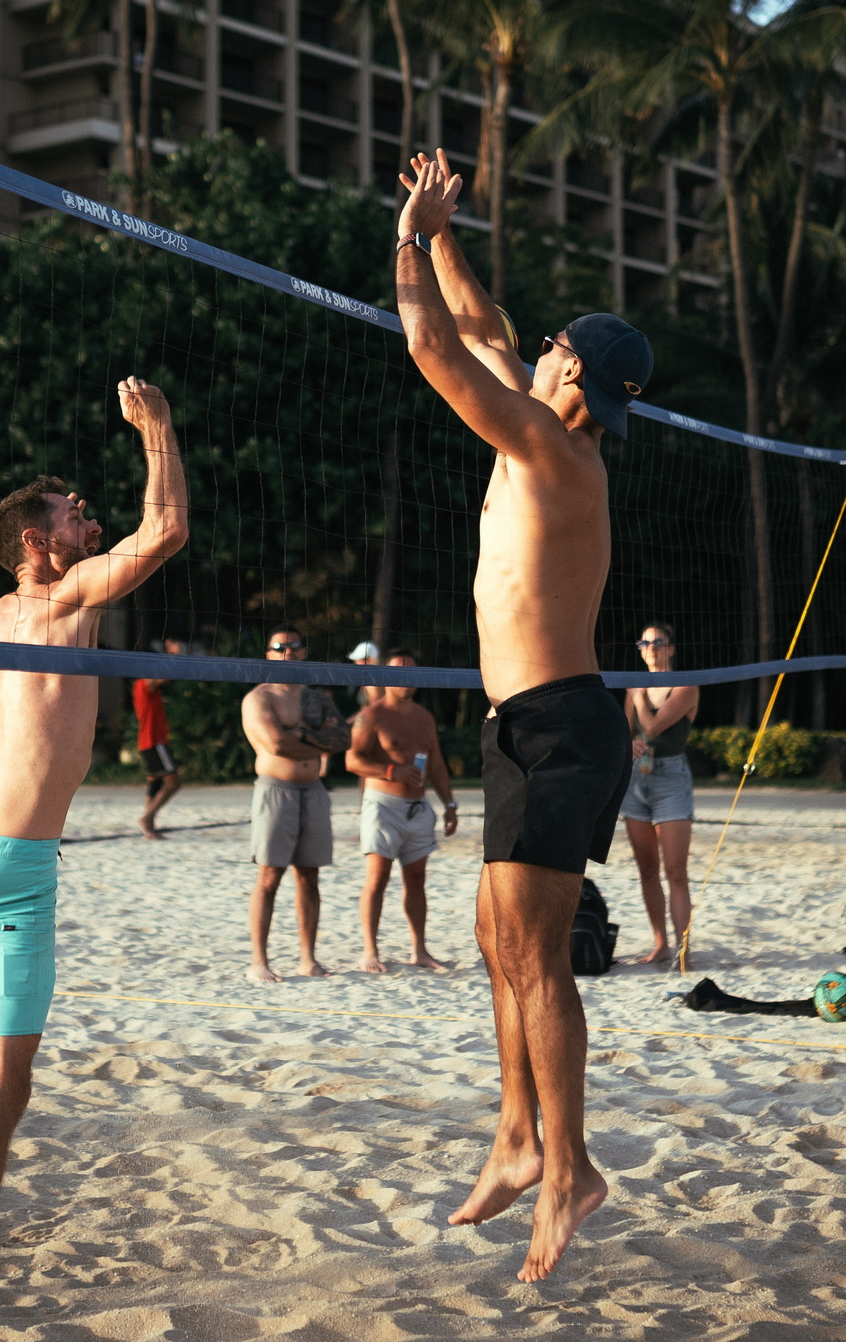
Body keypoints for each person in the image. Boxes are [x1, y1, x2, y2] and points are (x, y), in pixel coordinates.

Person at [394, 149, 649, 1282]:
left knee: (538, 960)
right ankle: (511, 1138)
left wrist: (403, 237)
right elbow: (485, 325)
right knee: (498, 945)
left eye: (557, 347)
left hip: (560, 724)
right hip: (521, 725)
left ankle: (572, 1165)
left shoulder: (552, 445)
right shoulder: (537, 420)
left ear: (578, 378)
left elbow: (435, 348)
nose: (538, 346)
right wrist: (448, 231)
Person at [0, 375, 185, 1342]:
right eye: (69, 512)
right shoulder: (64, 603)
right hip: (6, 874)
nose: (86, 515)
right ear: (38, 544)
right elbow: (167, 533)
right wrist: (157, 433)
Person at [242, 624, 349, 983]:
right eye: (280, 648)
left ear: (304, 652)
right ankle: (259, 961)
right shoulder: (260, 697)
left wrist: (301, 735)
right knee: (269, 876)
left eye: (295, 647)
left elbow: (342, 739)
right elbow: (277, 746)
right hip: (276, 790)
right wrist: (316, 739)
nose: (288, 653)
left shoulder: (316, 697)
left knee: (310, 877)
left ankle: (308, 958)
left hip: (314, 790)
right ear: (268, 654)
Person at [346, 649, 456, 973]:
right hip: (383, 804)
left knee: (416, 879)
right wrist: (391, 771)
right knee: (378, 877)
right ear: (386, 676)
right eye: (398, 672)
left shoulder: (424, 717)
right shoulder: (373, 715)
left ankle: (419, 950)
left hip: (417, 807)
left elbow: (436, 763)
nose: (405, 679)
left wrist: (449, 804)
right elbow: (352, 760)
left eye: (411, 672)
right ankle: (370, 950)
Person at [620, 624, 698, 965]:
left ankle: (683, 950)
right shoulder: (634, 686)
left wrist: (638, 696)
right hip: (636, 779)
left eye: (659, 642)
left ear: (671, 648)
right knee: (647, 870)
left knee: (675, 872)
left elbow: (652, 726)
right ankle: (660, 944)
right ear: (640, 650)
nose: (652, 647)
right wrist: (629, 742)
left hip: (670, 778)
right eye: (645, 642)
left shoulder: (685, 684)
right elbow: (626, 731)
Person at [133, 639, 183, 839]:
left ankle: (149, 827)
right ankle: (147, 818)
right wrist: (174, 655)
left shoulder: (140, 684)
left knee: (155, 782)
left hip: (147, 742)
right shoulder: (145, 682)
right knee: (174, 782)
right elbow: (167, 674)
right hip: (154, 741)